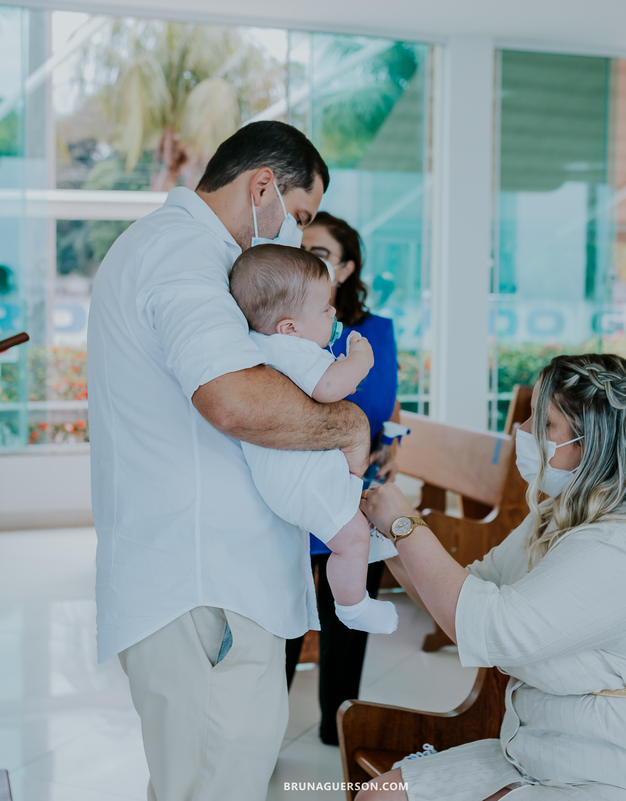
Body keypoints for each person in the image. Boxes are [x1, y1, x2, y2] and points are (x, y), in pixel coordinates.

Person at [87, 121, 372, 801]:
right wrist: (345, 423)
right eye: (298, 216)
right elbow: (234, 401)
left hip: (202, 576)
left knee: (206, 777)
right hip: (200, 583)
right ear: (262, 186)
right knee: (214, 780)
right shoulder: (182, 255)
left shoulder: (184, 252)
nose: (299, 238)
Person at [356, 353, 626, 801]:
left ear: (591, 443)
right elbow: (467, 594)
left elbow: (491, 629)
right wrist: (387, 540)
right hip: (540, 750)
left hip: (622, 770)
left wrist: (405, 524)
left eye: (544, 423)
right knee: (380, 796)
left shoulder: (620, 549)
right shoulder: (558, 515)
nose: (523, 431)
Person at [228, 244, 397, 634]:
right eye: (324, 310)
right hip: (300, 480)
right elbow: (330, 387)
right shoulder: (291, 348)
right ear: (290, 326)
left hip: (294, 478)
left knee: (355, 527)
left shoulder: (268, 344)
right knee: (352, 540)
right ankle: (353, 606)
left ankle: (353, 597)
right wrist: (360, 360)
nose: (334, 314)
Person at [285, 211, 403, 746]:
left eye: (323, 254)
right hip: (294, 494)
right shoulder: (280, 324)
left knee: (345, 617)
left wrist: (394, 439)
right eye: (302, 248)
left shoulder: (373, 333)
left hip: (353, 493)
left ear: (348, 267)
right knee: (284, 620)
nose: (309, 259)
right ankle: (266, 728)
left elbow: (381, 404)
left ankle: (339, 727)